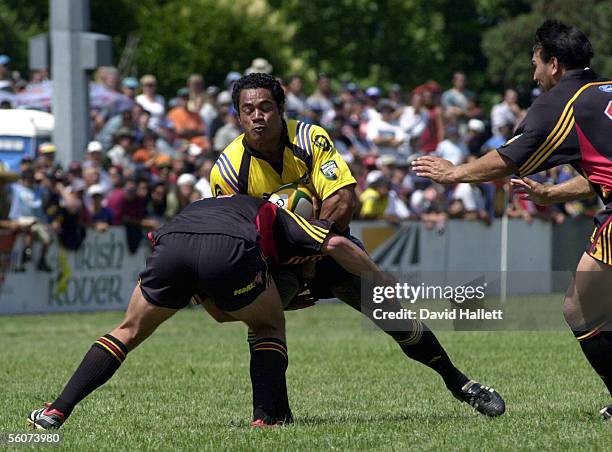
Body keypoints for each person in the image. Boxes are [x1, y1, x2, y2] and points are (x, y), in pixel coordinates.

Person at [210, 73, 505, 417]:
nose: (257, 116)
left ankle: (460, 383)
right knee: (263, 323)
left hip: (331, 250)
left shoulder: (309, 137)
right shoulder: (228, 169)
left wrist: (309, 251)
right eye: (249, 110)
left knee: (394, 316)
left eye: (265, 107)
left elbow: (344, 200)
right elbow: (238, 239)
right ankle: (271, 415)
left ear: (281, 110)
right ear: (238, 115)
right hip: (278, 264)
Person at [27, 194, 390, 429]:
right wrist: (378, 278)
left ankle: (57, 409)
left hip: (172, 243)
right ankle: (267, 419)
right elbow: (338, 243)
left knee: (127, 330)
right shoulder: (283, 216)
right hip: (228, 248)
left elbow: (218, 313)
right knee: (268, 327)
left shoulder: (212, 201)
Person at [412, 20, 612, 419]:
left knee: (580, 308)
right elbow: (602, 173)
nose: (533, 72)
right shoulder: (604, 92)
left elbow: (511, 157)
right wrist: (553, 194)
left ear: (553, 63)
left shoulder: (562, 101)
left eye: (535, 62)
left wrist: (455, 172)